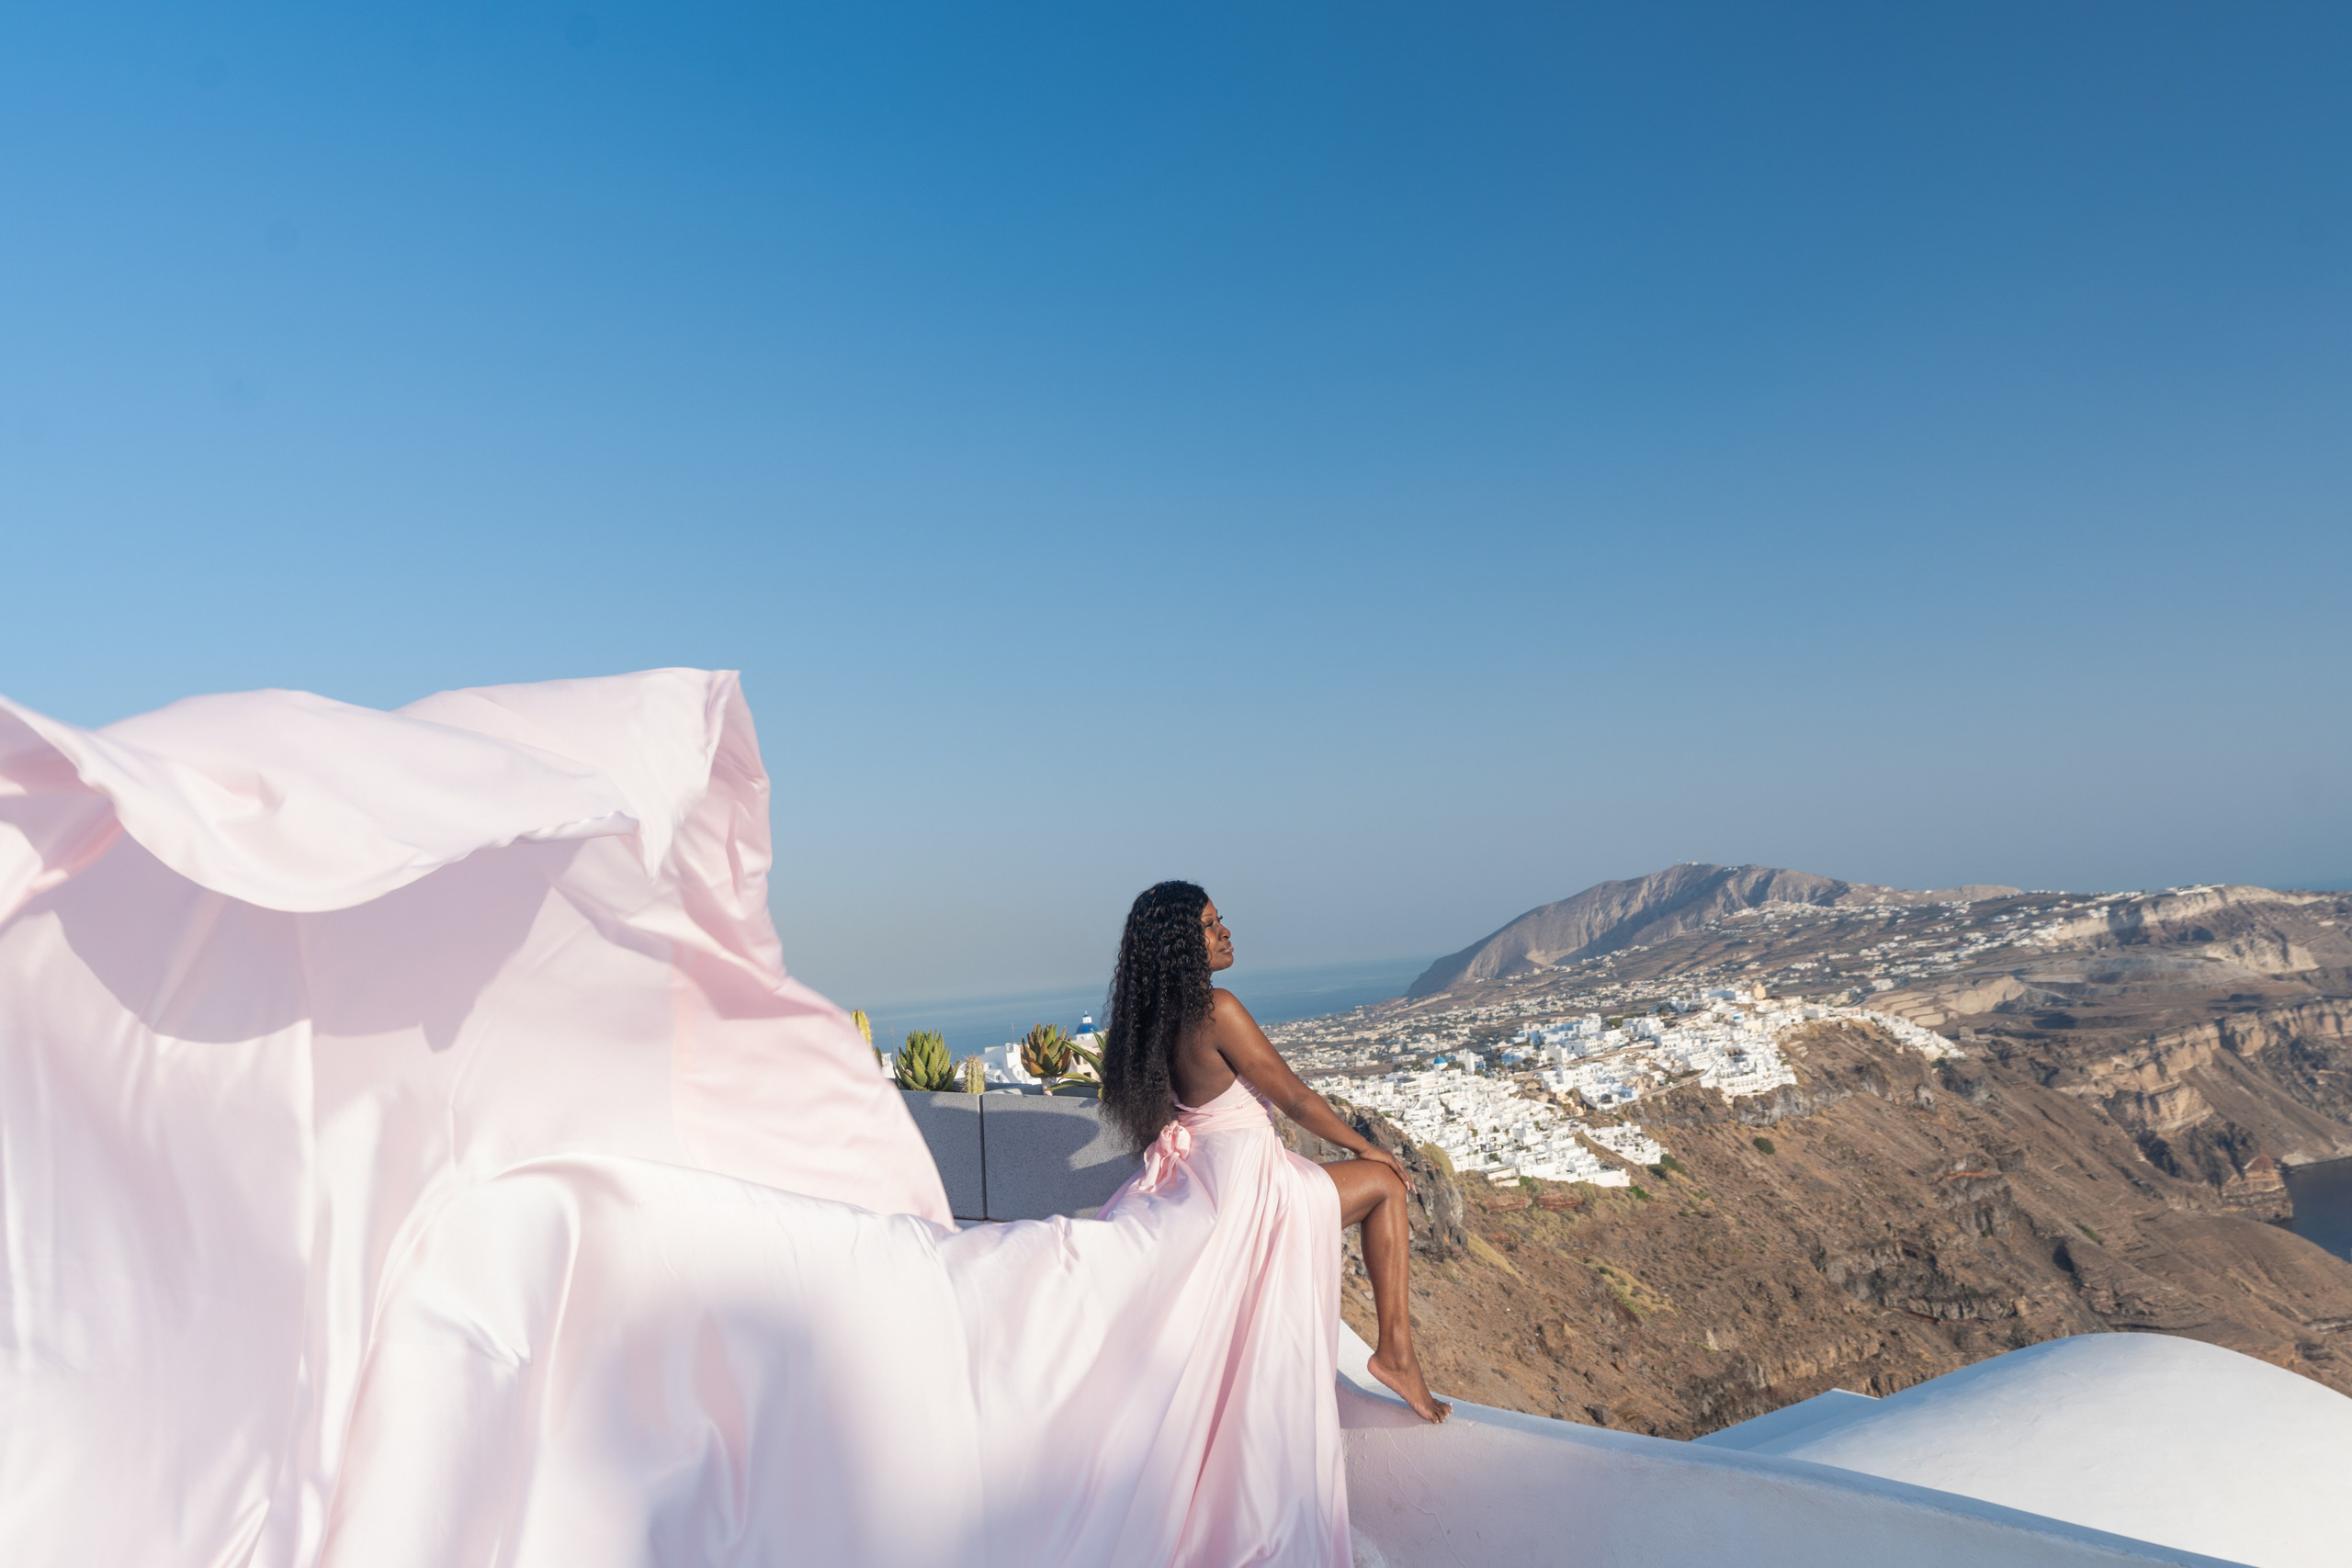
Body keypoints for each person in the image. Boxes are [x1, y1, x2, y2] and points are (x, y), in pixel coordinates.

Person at [1099, 880, 1452, 1425]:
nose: (1225, 932)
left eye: (1220, 920)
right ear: (1180, 947)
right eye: (1210, 926)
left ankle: (1396, 1356)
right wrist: (1366, 1147)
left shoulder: (1149, 1022)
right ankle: (1397, 1354)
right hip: (1252, 1183)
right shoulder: (1216, 1009)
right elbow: (1296, 1099)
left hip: (1203, 1180)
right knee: (1385, 1186)